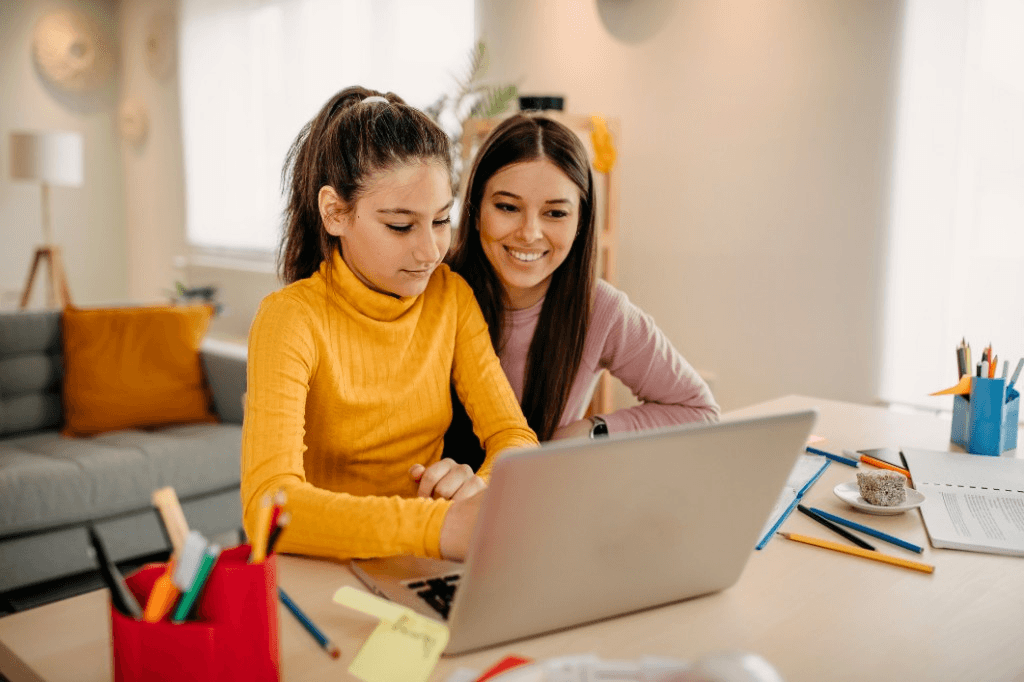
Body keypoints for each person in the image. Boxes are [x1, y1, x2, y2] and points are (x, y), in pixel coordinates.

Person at [241, 87, 538, 563]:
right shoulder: (290, 319)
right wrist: (438, 526)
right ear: (336, 212)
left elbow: (515, 438)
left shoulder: (451, 297)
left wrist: (477, 490)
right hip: (323, 568)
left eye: (441, 220)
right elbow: (267, 507)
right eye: (401, 226)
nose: (430, 250)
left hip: (424, 558)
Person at [445, 113, 718, 466]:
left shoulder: (600, 310)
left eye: (555, 213)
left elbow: (698, 411)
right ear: (476, 210)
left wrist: (592, 430)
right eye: (508, 207)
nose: (529, 233)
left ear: (580, 222)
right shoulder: (433, 291)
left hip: (538, 500)